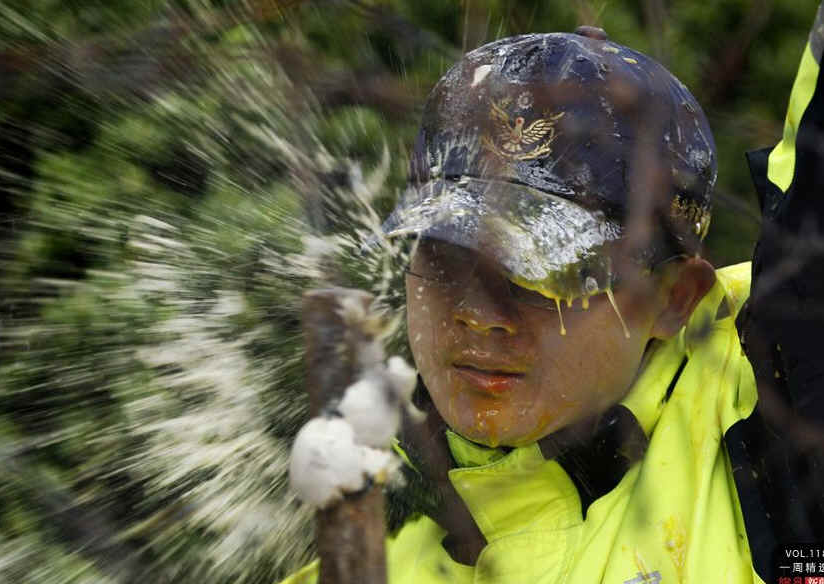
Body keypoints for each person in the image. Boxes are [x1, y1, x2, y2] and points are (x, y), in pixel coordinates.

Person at [283, 6, 824, 584]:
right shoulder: (363, 565)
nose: (480, 316)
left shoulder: (773, 413)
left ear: (675, 298)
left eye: (545, 275)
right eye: (446, 257)